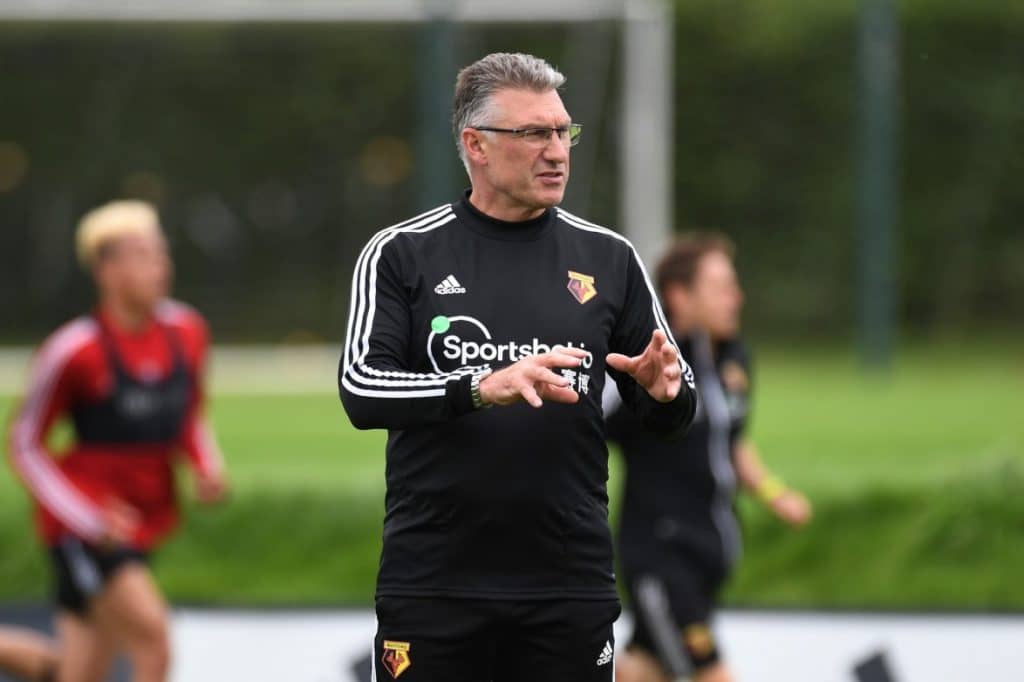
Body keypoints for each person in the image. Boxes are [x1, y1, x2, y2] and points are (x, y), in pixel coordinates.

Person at [338, 52, 697, 681]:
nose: (556, 151)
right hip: (435, 585)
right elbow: (362, 389)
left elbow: (674, 409)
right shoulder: (401, 253)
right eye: (533, 133)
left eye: (562, 131)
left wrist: (664, 393)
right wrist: (482, 387)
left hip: (568, 585)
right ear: (475, 145)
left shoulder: (609, 258)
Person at [6, 200, 228, 682]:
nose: (160, 267)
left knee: (78, 672)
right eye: (143, 255)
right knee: (153, 638)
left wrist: (206, 466)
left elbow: (189, 414)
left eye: (161, 253)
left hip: (143, 522)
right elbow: (24, 444)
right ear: (106, 270)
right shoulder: (74, 349)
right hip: (87, 533)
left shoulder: (187, 330)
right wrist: (89, 517)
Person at [606, 234, 812, 682]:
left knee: (643, 668)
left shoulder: (732, 360)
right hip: (662, 558)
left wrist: (773, 493)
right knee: (712, 673)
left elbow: (732, 441)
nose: (736, 298)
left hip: (707, 555)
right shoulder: (649, 364)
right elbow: (588, 423)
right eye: (721, 288)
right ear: (679, 296)